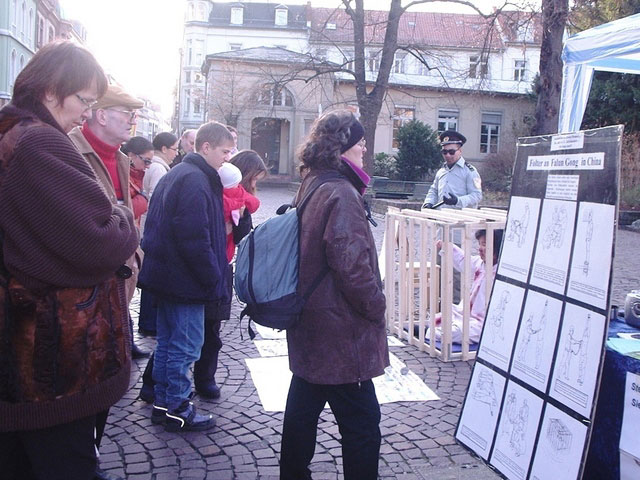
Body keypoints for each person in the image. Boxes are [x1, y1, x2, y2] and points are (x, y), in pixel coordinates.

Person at [0, 41, 138, 480]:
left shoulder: (11, 133)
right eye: (83, 99)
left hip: (22, 347)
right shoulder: (40, 142)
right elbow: (102, 240)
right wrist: (120, 212)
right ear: (50, 89)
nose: (86, 112)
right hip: (53, 358)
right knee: (64, 461)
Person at [280, 110, 389, 480]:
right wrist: (376, 306)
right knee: (362, 424)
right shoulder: (341, 192)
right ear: (342, 147)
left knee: (303, 405)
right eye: (360, 144)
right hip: (342, 331)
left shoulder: (313, 181)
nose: (364, 150)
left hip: (313, 321)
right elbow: (352, 266)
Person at [138, 121, 234, 432]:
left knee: (169, 343)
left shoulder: (181, 173)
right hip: (184, 280)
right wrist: (212, 277)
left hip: (170, 277)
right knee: (185, 346)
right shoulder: (195, 179)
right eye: (224, 151)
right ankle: (177, 407)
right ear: (206, 147)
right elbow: (194, 238)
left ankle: (164, 404)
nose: (227, 158)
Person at [68, 82, 149, 361]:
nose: (132, 121)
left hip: (119, 277)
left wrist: (135, 256)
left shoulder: (121, 159)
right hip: (85, 287)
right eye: (127, 113)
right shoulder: (70, 150)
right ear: (101, 115)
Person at [427, 229, 503, 344]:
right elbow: (463, 260)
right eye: (479, 244)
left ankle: (432, 332)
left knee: (455, 332)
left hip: (483, 321)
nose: (480, 249)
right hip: (466, 314)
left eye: (484, 245)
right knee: (438, 318)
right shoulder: (480, 263)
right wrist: (447, 246)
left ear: (497, 248)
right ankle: (432, 330)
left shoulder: (502, 273)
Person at [423, 130, 482, 210]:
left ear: (460, 151)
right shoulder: (441, 171)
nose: (447, 155)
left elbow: (477, 196)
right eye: (444, 152)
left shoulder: (470, 171)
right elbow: (434, 191)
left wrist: (457, 201)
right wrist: (428, 203)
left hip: (460, 216)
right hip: (440, 215)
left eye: (451, 152)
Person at [218, 162, 261, 262]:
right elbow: (254, 203)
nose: (254, 184)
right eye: (254, 179)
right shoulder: (239, 193)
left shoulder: (216, 195)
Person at [122, 136, 154, 226]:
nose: (148, 166)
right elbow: (125, 211)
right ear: (131, 155)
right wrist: (143, 200)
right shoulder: (121, 174)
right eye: (146, 161)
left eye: (150, 162)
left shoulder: (135, 176)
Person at [143, 132, 178, 198]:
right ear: (164, 149)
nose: (177, 153)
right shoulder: (159, 169)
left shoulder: (151, 164)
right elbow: (155, 197)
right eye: (175, 149)